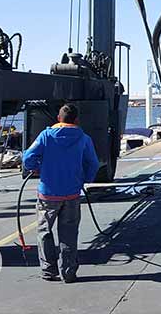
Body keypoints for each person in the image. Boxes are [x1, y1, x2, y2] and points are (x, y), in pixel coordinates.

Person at [22, 103, 100, 283]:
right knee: (69, 233)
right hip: (72, 194)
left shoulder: (46, 136)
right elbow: (93, 163)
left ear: (58, 118)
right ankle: (68, 272)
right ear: (77, 120)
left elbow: (28, 158)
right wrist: (84, 179)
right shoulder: (83, 138)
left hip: (48, 194)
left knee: (44, 231)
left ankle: (49, 270)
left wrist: (37, 168)